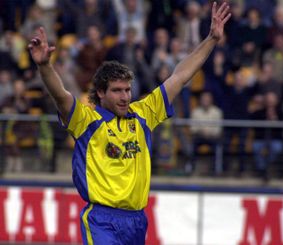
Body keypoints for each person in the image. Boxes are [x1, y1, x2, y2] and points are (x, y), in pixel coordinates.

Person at [28, 2, 231, 244]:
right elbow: (61, 96)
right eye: (117, 91)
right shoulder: (86, 121)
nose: (125, 96)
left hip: (136, 221)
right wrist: (44, 66)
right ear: (101, 93)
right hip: (101, 219)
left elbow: (180, 76)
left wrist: (211, 39)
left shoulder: (143, 113)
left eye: (127, 89)